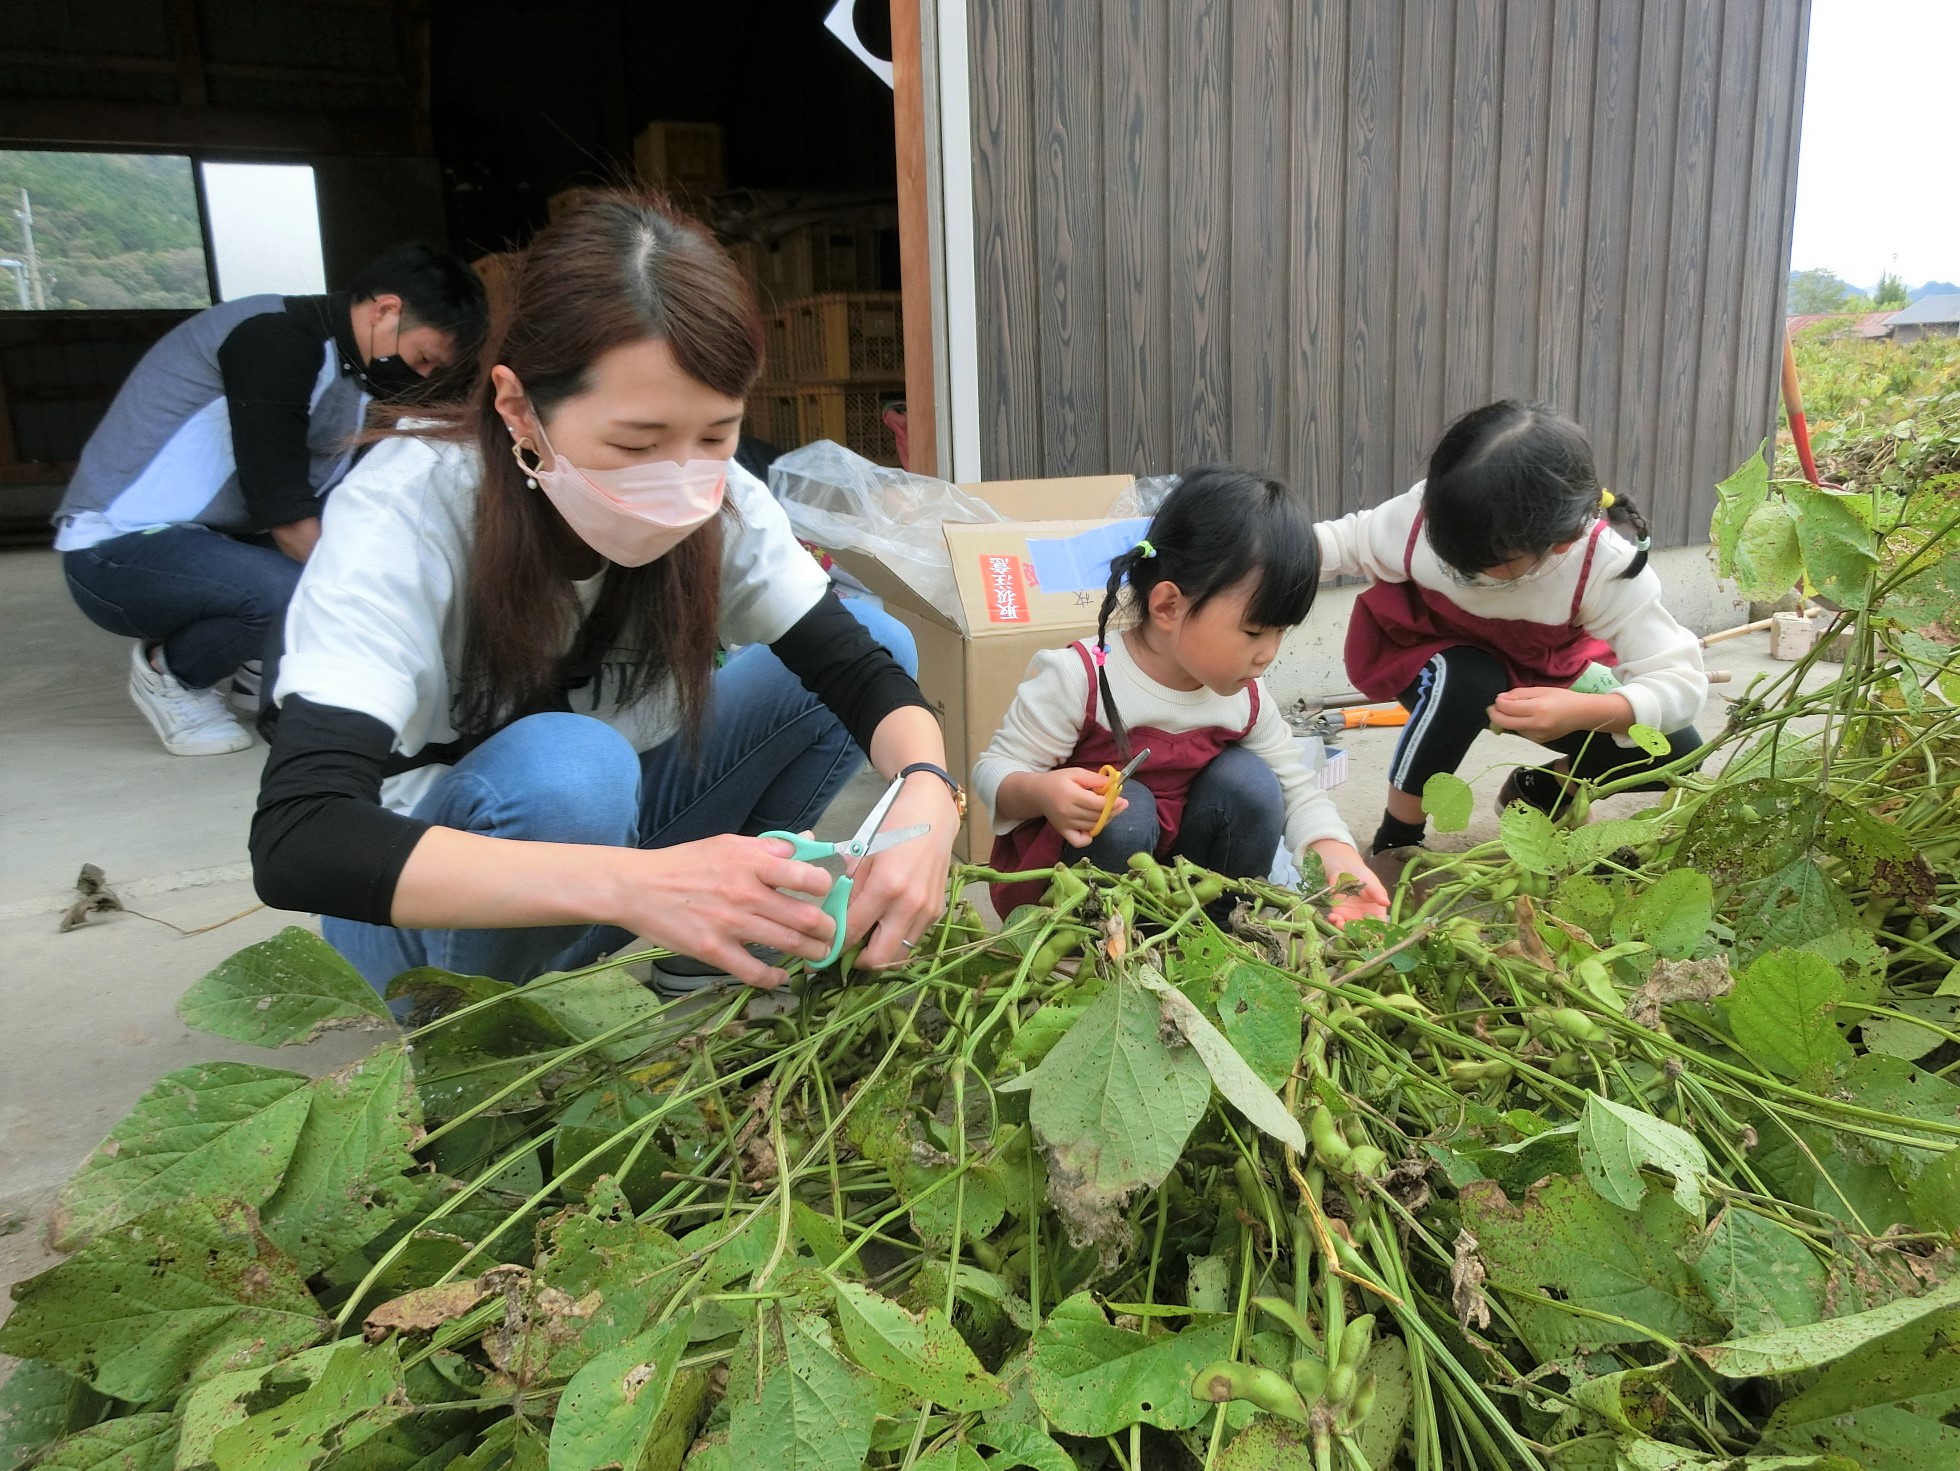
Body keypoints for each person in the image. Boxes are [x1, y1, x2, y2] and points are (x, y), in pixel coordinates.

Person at [250, 192, 961, 996]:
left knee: (879, 643)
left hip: (603, 851)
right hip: (419, 903)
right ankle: (483, 1037)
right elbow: (300, 835)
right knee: (573, 768)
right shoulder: (409, 509)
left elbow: (860, 673)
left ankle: (716, 943)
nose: (684, 480)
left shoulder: (723, 500)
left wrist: (928, 794)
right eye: (636, 442)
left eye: (715, 435)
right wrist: (638, 886)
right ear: (518, 406)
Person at [54, 243, 489, 757]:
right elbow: (281, 508)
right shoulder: (274, 339)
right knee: (293, 589)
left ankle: (257, 663)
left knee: (340, 558)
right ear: (386, 310)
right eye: (421, 358)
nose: (419, 375)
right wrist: (376, 603)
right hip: (115, 548)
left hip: (206, 540)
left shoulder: (351, 366)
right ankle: (167, 673)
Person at [974, 465, 1387, 922]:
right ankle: (1097, 952)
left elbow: (1297, 788)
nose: (1267, 654)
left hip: (1183, 882)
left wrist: (1336, 853)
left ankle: (1222, 930)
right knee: (1129, 808)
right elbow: (995, 771)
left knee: (1253, 783)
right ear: (1169, 606)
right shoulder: (1081, 678)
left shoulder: (1245, 696)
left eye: (1280, 633)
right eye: (1253, 631)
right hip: (1080, 884)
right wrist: (1040, 792)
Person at [1317, 400, 1708, 873]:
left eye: (1483, 569)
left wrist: (1587, 711)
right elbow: (1343, 541)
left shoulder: (1602, 567)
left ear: (1560, 543)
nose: (1458, 573)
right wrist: (1259, 556)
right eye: (1447, 556)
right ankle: (1396, 841)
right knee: (1467, 677)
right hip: (1427, 659)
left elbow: (1681, 682)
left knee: (1678, 750)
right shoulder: (1423, 517)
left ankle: (1543, 791)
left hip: (1540, 678)